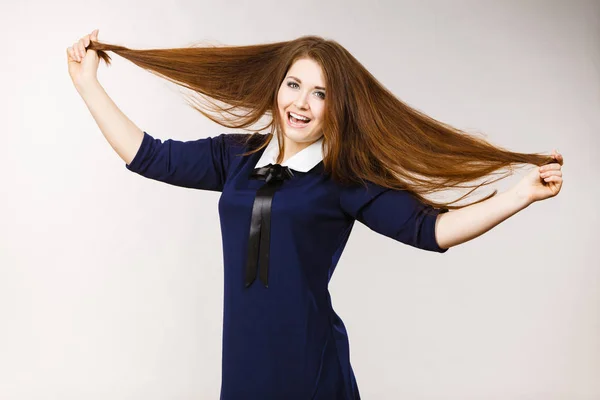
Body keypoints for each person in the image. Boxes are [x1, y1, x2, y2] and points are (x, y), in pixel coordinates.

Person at [67, 29, 564, 399]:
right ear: (276, 88)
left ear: (337, 107)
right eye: (294, 85)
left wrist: (520, 194)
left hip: (309, 366)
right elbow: (149, 156)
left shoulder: (344, 177)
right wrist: (87, 83)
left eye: (320, 94)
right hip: (243, 364)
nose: (301, 103)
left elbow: (432, 230)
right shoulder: (235, 156)